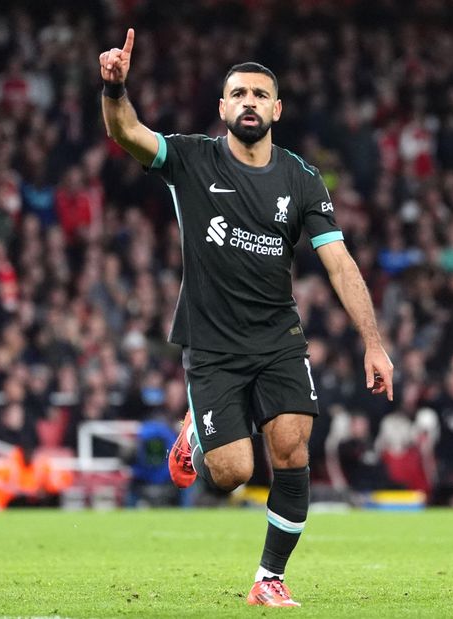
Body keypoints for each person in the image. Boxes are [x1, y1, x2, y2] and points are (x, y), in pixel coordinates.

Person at [99, 29, 394, 608]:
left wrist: (373, 343)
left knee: (292, 449)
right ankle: (199, 433)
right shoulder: (190, 157)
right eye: (239, 94)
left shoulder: (301, 179)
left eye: (260, 95)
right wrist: (114, 89)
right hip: (211, 345)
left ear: (277, 109)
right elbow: (127, 132)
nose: (250, 103)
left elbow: (338, 263)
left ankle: (269, 578)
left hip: (278, 338)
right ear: (223, 107)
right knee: (233, 472)